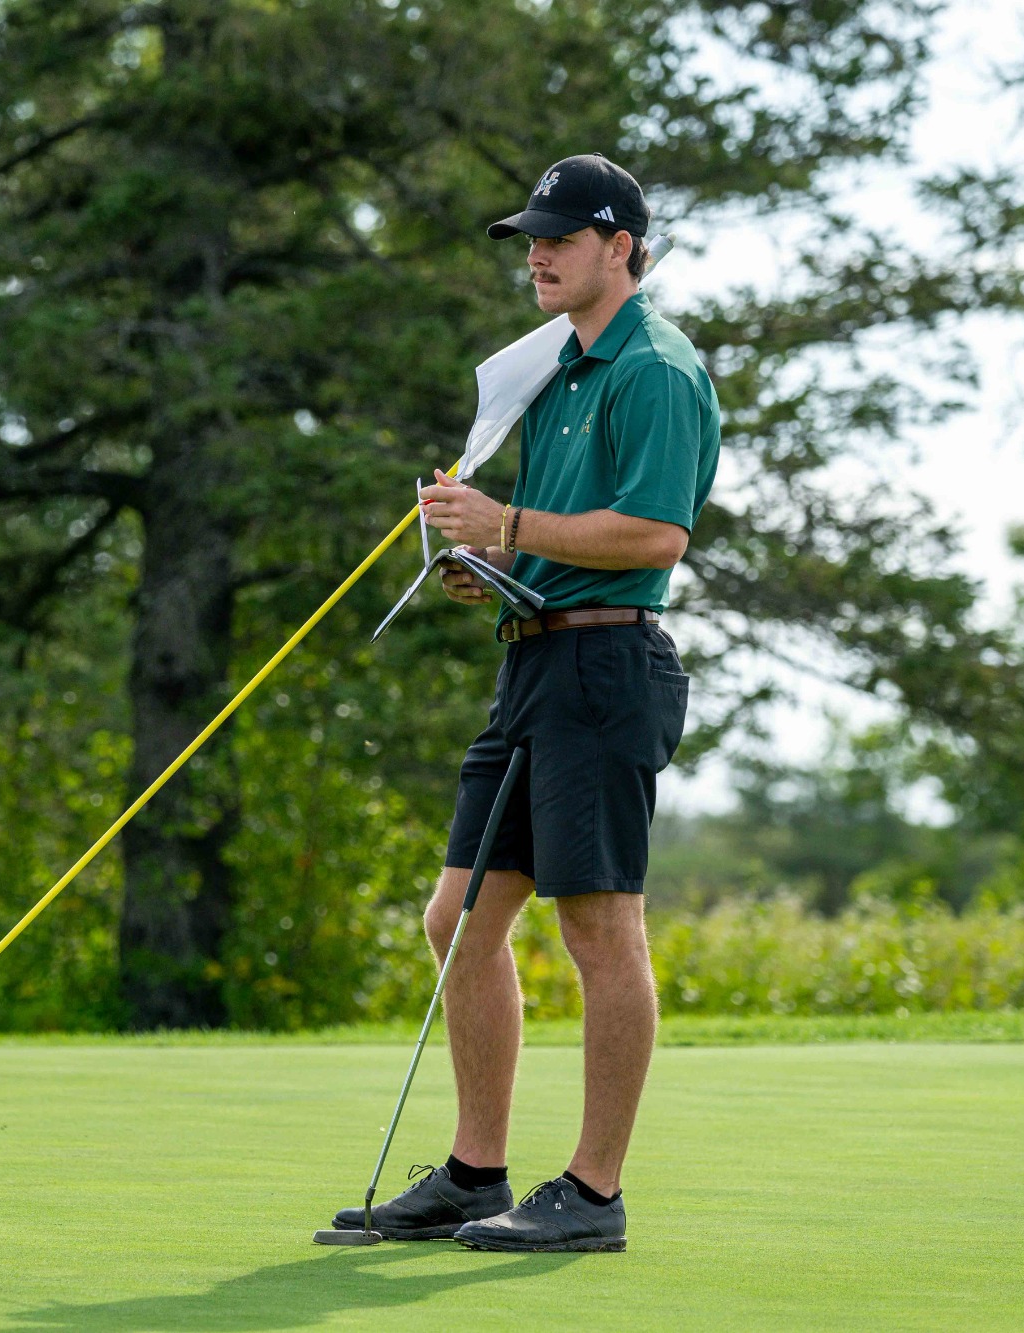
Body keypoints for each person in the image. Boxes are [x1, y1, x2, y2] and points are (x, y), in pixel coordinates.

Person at [330, 154, 721, 1252]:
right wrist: (493, 566)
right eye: (531, 237)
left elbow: (653, 537)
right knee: (457, 918)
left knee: (599, 929)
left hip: (606, 671)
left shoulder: (652, 368)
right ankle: (473, 1170)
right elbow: (553, 531)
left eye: (560, 236)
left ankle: (592, 1193)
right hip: (536, 656)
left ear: (621, 249)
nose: (538, 253)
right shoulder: (561, 370)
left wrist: (505, 528)